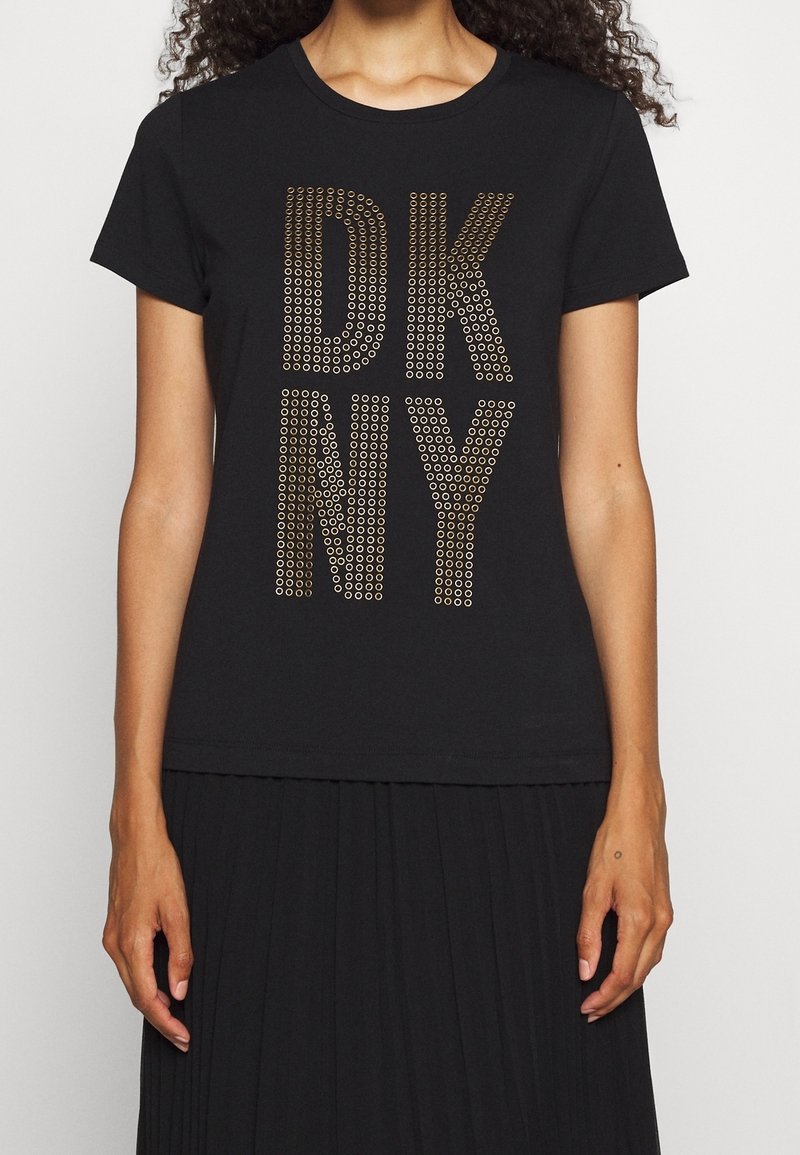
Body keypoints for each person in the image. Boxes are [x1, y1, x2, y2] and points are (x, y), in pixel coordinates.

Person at [91, 0, 688, 1150]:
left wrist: (638, 792)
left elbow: (607, 483)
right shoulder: (195, 145)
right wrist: (134, 814)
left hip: (518, 780)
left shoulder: (580, 140)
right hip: (252, 783)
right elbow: (164, 495)